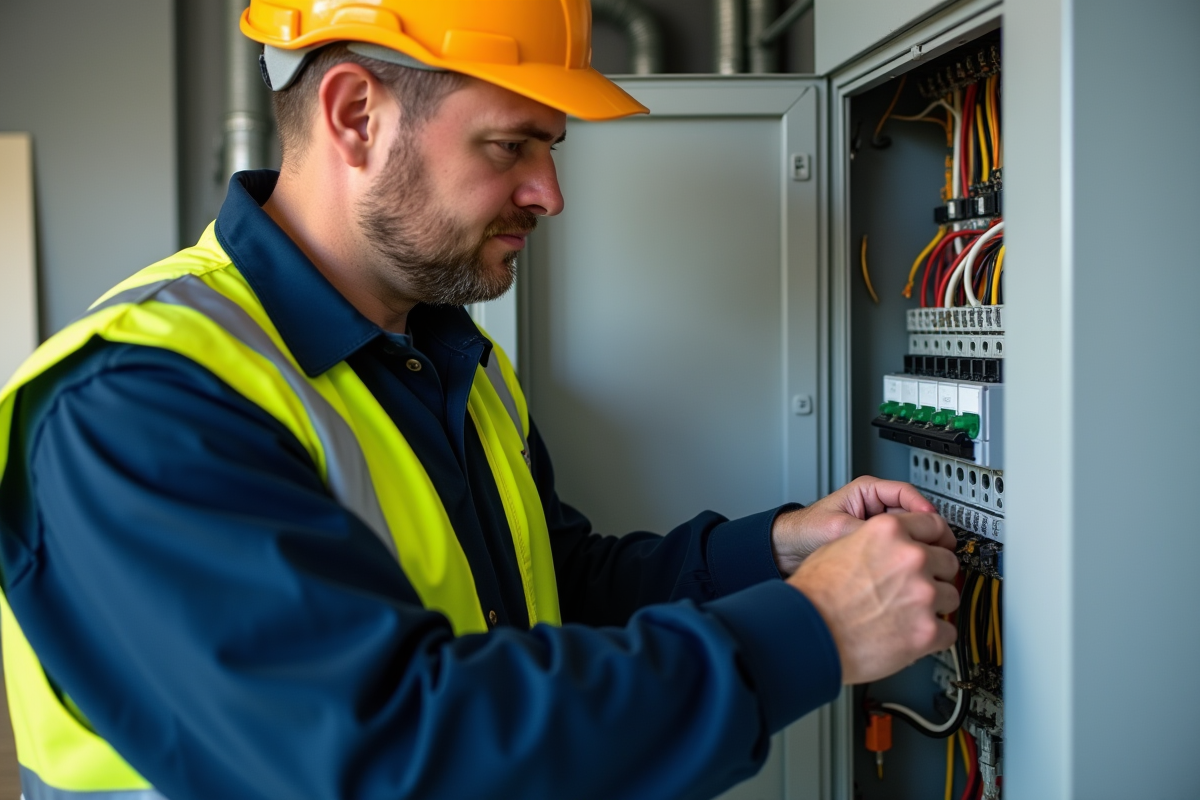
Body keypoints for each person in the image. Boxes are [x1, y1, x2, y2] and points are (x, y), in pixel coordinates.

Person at [0, 3, 960, 799]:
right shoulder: (135, 405)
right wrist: (813, 632)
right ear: (354, 116)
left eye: (551, 147)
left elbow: (550, 591)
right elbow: (389, 757)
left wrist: (780, 552)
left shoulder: (450, 358)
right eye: (511, 144)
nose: (549, 192)